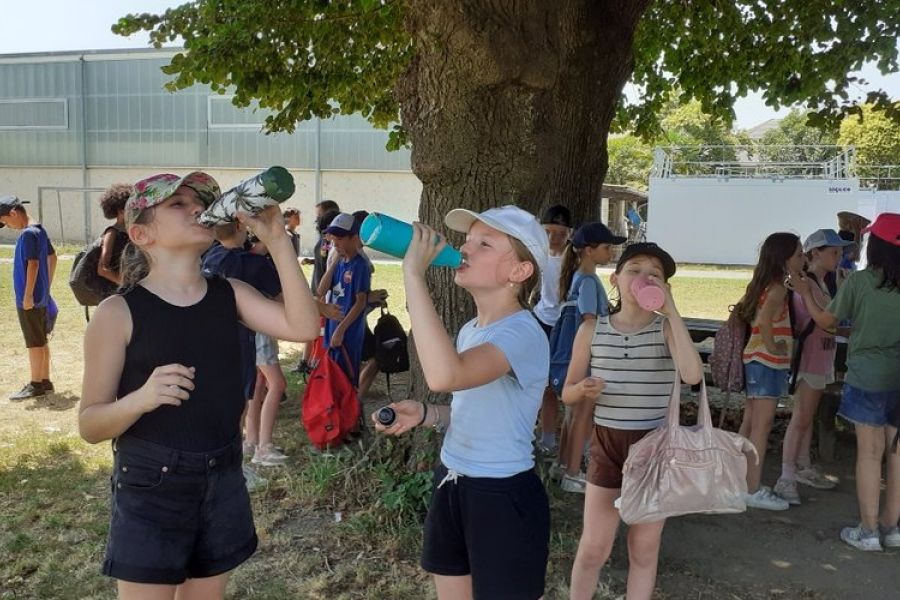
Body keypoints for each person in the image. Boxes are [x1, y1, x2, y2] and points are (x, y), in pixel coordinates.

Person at [78, 172, 319, 599]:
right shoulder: (117, 313)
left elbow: (303, 327)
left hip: (222, 475)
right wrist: (141, 399)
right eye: (178, 204)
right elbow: (91, 425)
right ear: (141, 233)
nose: (196, 208)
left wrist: (279, 241)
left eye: (200, 202)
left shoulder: (231, 294)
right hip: (152, 483)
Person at [374, 206, 551, 600]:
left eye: (484, 244)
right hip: (453, 480)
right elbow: (474, 408)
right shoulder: (472, 329)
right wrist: (426, 413)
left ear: (519, 272)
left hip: (501, 494)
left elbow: (444, 376)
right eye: (467, 240)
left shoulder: (523, 332)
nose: (465, 249)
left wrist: (413, 275)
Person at [565, 242, 703, 600]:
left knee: (643, 548)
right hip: (607, 445)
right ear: (615, 279)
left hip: (654, 448)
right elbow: (566, 392)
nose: (644, 278)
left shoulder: (665, 330)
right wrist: (583, 388)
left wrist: (671, 310)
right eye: (634, 270)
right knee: (594, 546)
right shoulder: (592, 330)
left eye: (655, 275)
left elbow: (691, 374)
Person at [790, 212, 900, 552]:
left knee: (870, 453)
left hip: (867, 376)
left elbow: (825, 320)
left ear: (877, 246)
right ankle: (893, 527)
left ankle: (868, 532)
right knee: (896, 453)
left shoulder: (860, 282)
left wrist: (806, 291)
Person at [773, 230, 852, 505]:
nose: (838, 257)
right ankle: (786, 477)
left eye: (840, 252)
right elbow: (827, 321)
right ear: (814, 253)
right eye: (833, 252)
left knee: (806, 417)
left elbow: (833, 315)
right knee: (802, 418)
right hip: (809, 358)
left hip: (820, 357)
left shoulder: (820, 282)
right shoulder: (805, 283)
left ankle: (802, 466)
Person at [734, 232, 805, 511]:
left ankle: (737, 480)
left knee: (750, 423)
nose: (803, 259)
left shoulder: (766, 285)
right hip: (766, 362)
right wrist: (775, 346)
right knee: (761, 427)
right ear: (783, 259)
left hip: (756, 360)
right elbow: (764, 321)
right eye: (799, 254)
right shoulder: (778, 288)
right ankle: (751, 488)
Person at [554, 222, 625, 494]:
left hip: (576, 358)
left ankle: (563, 465)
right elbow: (589, 320)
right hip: (587, 359)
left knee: (573, 416)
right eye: (607, 247)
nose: (611, 251)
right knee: (582, 415)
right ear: (588, 250)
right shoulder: (587, 280)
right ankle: (573, 472)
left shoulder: (577, 277)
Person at [1, 194, 58, 400]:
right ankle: (45, 381)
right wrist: (46, 287)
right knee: (40, 339)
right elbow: (53, 257)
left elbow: (33, 264)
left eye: (6, 221)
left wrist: (27, 295)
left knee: (34, 342)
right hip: (40, 297)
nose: (7, 226)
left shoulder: (27, 234)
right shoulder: (39, 231)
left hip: (29, 300)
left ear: (14, 213)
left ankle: (35, 384)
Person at [533, 205, 572, 456]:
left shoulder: (575, 260)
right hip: (542, 322)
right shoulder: (536, 256)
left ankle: (576, 442)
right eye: (548, 231)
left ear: (569, 233)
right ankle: (548, 438)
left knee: (571, 383)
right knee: (544, 384)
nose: (553, 238)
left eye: (560, 232)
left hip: (567, 324)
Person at [317, 212, 371, 388]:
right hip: (332, 327)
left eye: (340, 238)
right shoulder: (339, 262)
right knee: (332, 378)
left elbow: (360, 302)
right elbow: (321, 290)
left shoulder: (360, 265)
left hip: (348, 331)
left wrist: (341, 330)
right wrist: (333, 263)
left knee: (345, 380)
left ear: (354, 237)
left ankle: (348, 414)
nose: (335, 243)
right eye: (334, 238)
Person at [97, 184, 132, 287]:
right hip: (115, 290)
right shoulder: (111, 233)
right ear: (120, 210)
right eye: (131, 207)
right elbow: (103, 268)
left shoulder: (134, 233)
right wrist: (125, 284)